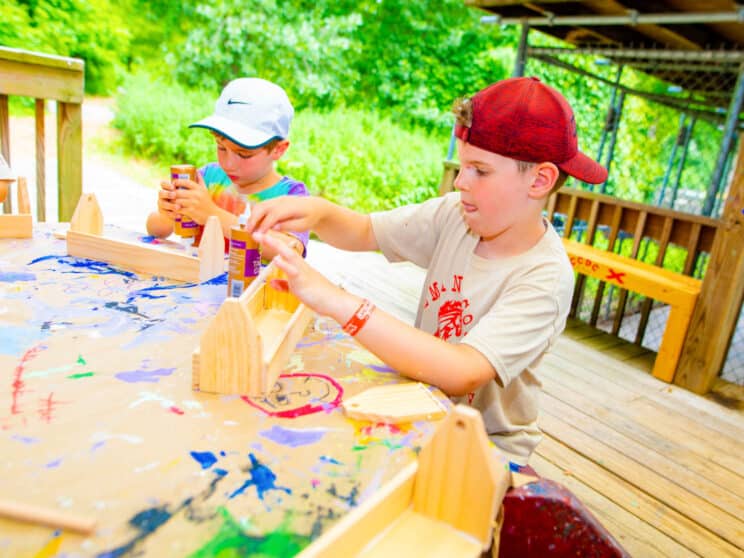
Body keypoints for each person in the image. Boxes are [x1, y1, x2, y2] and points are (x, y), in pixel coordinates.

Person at [247, 77, 607, 465]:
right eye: (463, 165)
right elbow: (366, 230)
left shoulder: (544, 278)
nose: (461, 181)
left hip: (486, 451)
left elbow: (463, 371)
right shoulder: (455, 214)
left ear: (540, 180)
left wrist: (337, 302)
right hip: (419, 409)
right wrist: (318, 212)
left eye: (480, 171)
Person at [146, 77, 309, 258]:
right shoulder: (207, 178)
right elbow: (155, 229)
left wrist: (212, 215)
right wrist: (167, 215)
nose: (229, 163)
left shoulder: (291, 195)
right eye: (221, 147)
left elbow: (291, 251)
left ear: (278, 149)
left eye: (244, 154)